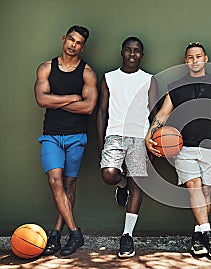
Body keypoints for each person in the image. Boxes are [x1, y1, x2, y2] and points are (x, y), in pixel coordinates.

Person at [145, 42, 211, 257]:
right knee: (194, 187)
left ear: (206, 59)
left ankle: (198, 235)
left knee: (206, 191)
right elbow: (163, 114)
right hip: (184, 149)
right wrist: (150, 133)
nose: (195, 60)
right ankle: (209, 235)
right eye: (191, 57)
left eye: (198, 56)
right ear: (186, 61)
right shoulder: (176, 86)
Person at [34, 25, 98, 256]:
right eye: (71, 39)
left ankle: (56, 233)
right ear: (64, 39)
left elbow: (89, 107)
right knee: (55, 181)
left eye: (79, 42)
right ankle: (75, 232)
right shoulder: (46, 68)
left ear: (83, 46)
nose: (73, 45)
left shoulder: (87, 73)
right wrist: (72, 97)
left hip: (76, 137)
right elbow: (41, 99)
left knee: (69, 185)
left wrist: (55, 100)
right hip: (51, 135)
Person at [96, 36, 157, 258]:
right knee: (109, 174)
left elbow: (154, 113)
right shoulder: (109, 78)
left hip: (140, 136)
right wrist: (102, 143)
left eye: (137, 51)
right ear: (122, 52)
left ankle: (127, 236)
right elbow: (102, 111)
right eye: (128, 50)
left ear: (142, 54)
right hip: (115, 135)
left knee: (138, 184)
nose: (133, 54)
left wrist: (152, 142)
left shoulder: (149, 79)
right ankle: (122, 184)